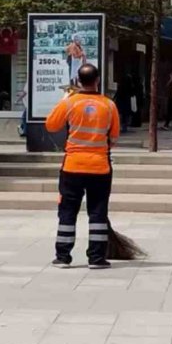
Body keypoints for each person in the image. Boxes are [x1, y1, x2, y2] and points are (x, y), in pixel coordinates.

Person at [46, 63, 120, 270]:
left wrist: (63, 99)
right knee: (97, 212)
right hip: (100, 167)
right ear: (97, 80)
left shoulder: (70, 103)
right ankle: (96, 258)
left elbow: (51, 125)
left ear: (78, 81)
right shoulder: (109, 105)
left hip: (72, 167)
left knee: (67, 211)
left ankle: (63, 257)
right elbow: (114, 137)